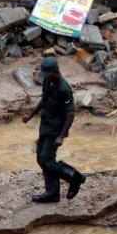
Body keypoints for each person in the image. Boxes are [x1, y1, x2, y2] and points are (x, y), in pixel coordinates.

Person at [22, 55, 86, 203]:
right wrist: (31, 115)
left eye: (47, 74)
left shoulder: (64, 89)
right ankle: (53, 193)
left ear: (55, 71)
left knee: (47, 160)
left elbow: (70, 114)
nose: (45, 77)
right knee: (40, 158)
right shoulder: (47, 81)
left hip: (56, 129)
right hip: (45, 125)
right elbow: (44, 100)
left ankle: (74, 177)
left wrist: (61, 136)